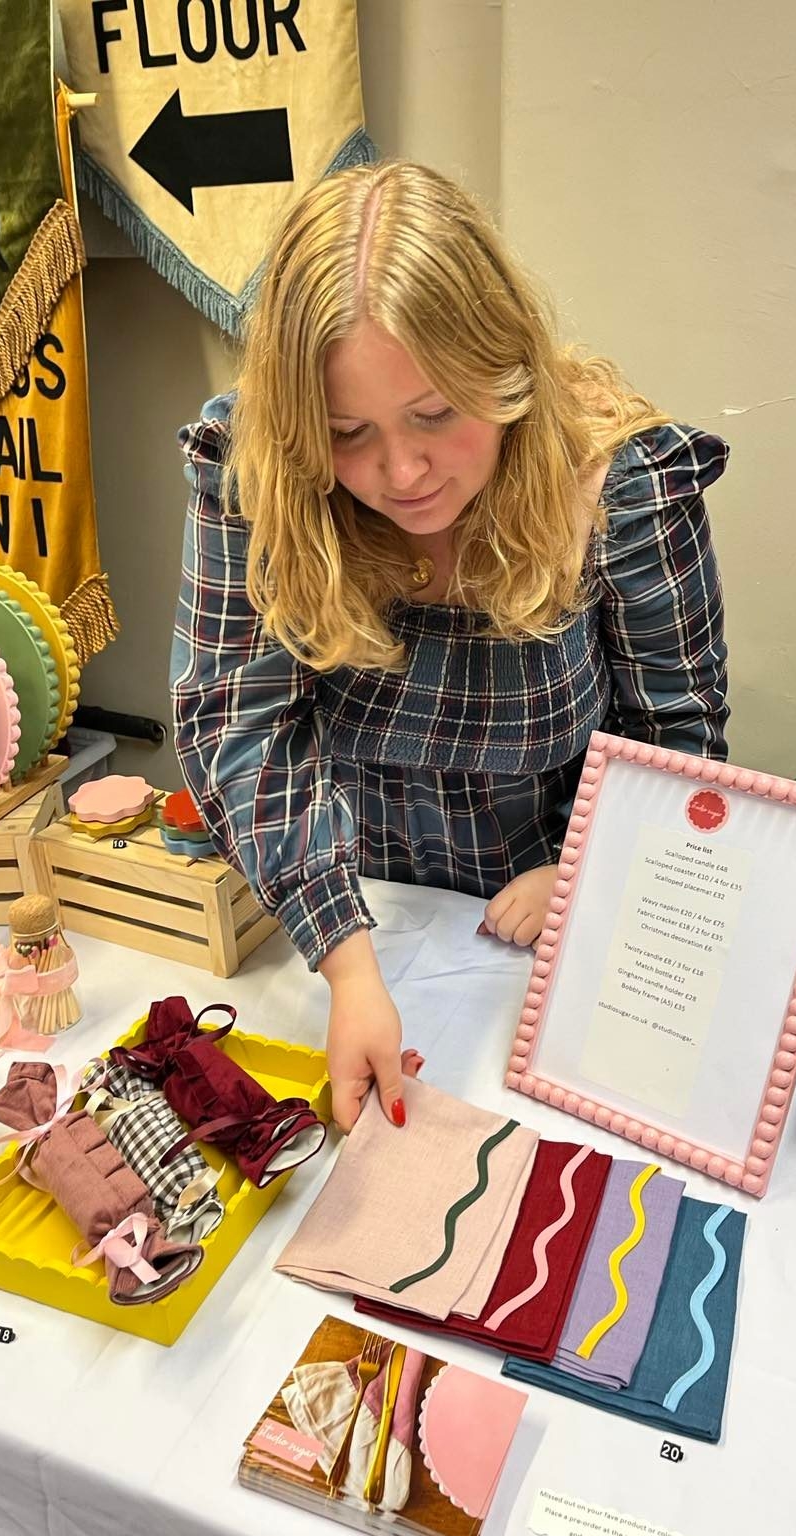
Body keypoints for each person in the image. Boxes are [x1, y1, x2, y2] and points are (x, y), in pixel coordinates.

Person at [172, 160, 729, 1136]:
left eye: (436, 414)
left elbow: (677, 736)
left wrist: (594, 873)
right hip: (344, 902)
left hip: (547, 930)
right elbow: (239, 722)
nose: (402, 471)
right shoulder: (252, 466)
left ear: (504, 368)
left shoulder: (622, 485)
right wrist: (348, 962)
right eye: (347, 435)